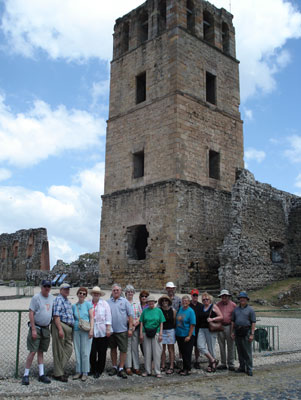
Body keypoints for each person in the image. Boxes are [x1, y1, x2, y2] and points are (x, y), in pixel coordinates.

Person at [22, 280, 54, 385]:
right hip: (37, 327)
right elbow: (31, 313)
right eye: (45, 286)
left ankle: (41, 374)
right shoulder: (36, 297)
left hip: (45, 328)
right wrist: (33, 329)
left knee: (41, 351)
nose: (47, 288)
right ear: (41, 287)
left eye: (48, 286)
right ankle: (25, 374)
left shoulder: (52, 298)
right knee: (32, 351)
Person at [107, 283, 134, 379]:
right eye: (114, 290)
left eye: (117, 290)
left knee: (123, 350)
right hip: (112, 331)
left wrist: (130, 329)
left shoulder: (125, 301)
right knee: (113, 349)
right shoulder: (108, 302)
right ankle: (114, 366)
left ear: (120, 291)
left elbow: (131, 315)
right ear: (112, 291)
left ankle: (121, 368)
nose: (115, 292)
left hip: (122, 330)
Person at [51, 282, 74, 382]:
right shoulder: (59, 299)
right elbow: (56, 315)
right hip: (60, 326)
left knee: (68, 349)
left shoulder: (67, 301)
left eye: (68, 289)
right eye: (65, 289)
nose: (67, 291)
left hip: (67, 327)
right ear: (60, 290)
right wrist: (60, 329)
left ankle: (58, 370)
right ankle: (58, 373)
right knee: (58, 350)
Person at [139, 295, 165, 378]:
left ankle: (157, 371)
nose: (151, 303)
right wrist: (141, 334)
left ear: (154, 302)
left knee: (157, 353)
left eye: (152, 302)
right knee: (147, 353)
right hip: (146, 332)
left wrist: (161, 334)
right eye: (149, 302)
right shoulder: (145, 311)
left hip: (156, 332)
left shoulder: (159, 311)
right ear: (147, 303)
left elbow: (161, 322)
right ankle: (148, 370)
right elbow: (141, 322)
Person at [231, 291, 256, 376]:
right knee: (240, 351)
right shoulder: (236, 310)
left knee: (247, 351)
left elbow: (253, 322)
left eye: (243, 298)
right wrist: (232, 332)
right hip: (238, 331)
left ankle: (249, 368)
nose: (242, 300)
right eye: (240, 298)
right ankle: (242, 366)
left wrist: (252, 334)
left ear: (246, 299)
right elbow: (233, 322)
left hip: (246, 331)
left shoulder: (250, 310)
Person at [197, 292, 223, 373]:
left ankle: (211, 365)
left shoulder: (213, 306)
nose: (205, 301)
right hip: (202, 329)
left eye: (207, 299)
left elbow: (221, 316)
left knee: (211, 347)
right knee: (200, 346)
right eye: (203, 299)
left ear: (210, 299)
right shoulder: (202, 307)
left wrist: (212, 319)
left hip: (210, 329)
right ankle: (213, 360)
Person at [89, 286, 112, 378]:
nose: (96, 295)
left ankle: (99, 370)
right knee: (92, 352)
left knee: (102, 352)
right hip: (92, 330)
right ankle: (93, 369)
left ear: (99, 295)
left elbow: (108, 316)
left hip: (102, 330)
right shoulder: (88, 303)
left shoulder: (104, 304)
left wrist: (108, 329)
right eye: (94, 293)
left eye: (97, 293)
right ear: (92, 294)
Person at [72, 287, 94, 381]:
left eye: (84, 294)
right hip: (76, 329)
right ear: (77, 294)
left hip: (86, 329)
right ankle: (78, 371)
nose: (81, 295)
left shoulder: (88, 304)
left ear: (85, 296)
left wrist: (91, 330)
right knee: (77, 351)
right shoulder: (74, 306)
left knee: (85, 352)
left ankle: (85, 371)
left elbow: (92, 317)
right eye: (80, 293)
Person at [175, 295, 196, 376]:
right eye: (183, 301)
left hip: (187, 334)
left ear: (189, 302)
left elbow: (192, 324)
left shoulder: (191, 311)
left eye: (186, 301)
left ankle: (188, 369)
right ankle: (184, 367)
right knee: (183, 352)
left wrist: (189, 336)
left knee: (187, 352)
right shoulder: (180, 309)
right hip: (179, 334)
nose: (184, 302)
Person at [216, 289, 236, 371]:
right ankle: (223, 363)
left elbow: (235, 318)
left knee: (230, 345)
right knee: (221, 345)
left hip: (229, 326)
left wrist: (233, 330)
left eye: (225, 296)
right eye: (222, 296)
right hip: (220, 326)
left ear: (228, 297)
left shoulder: (233, 305)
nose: (224, 297)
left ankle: (231, 363)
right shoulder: (218, 305)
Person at [124, 285, 142, 376]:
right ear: (125, 293)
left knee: (135, 348)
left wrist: (136, 323)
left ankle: (136, 366)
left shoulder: (137, 303)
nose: (130, 293)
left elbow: (140, 315)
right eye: (128, 291)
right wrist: (130, 323)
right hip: (126, 327)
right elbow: (123, 315)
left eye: (132, 291)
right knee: (127, 347)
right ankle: (128, 367)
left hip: (135, 327)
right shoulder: (123, 302)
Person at [158, 295, 176, 374]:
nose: (164, 302)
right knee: (162, 349)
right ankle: (163, 365)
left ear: (169, 302)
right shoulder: (159, 310)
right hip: (162, 331)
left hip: (170, 330)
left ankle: (171, 366)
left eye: (166, 300)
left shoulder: (173, 310)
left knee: (171, 349)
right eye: (163, 301)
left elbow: (174, 321)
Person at [189, 289, 202, 369]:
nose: (195, 297)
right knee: (189, 345)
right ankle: (188, 360)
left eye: (196, 295)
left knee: (197, 346)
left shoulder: (200, 306)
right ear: (191, 296)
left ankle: (197, 360)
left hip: (198, 328)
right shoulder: (188, 305)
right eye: (194, 295)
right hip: (190, 328)